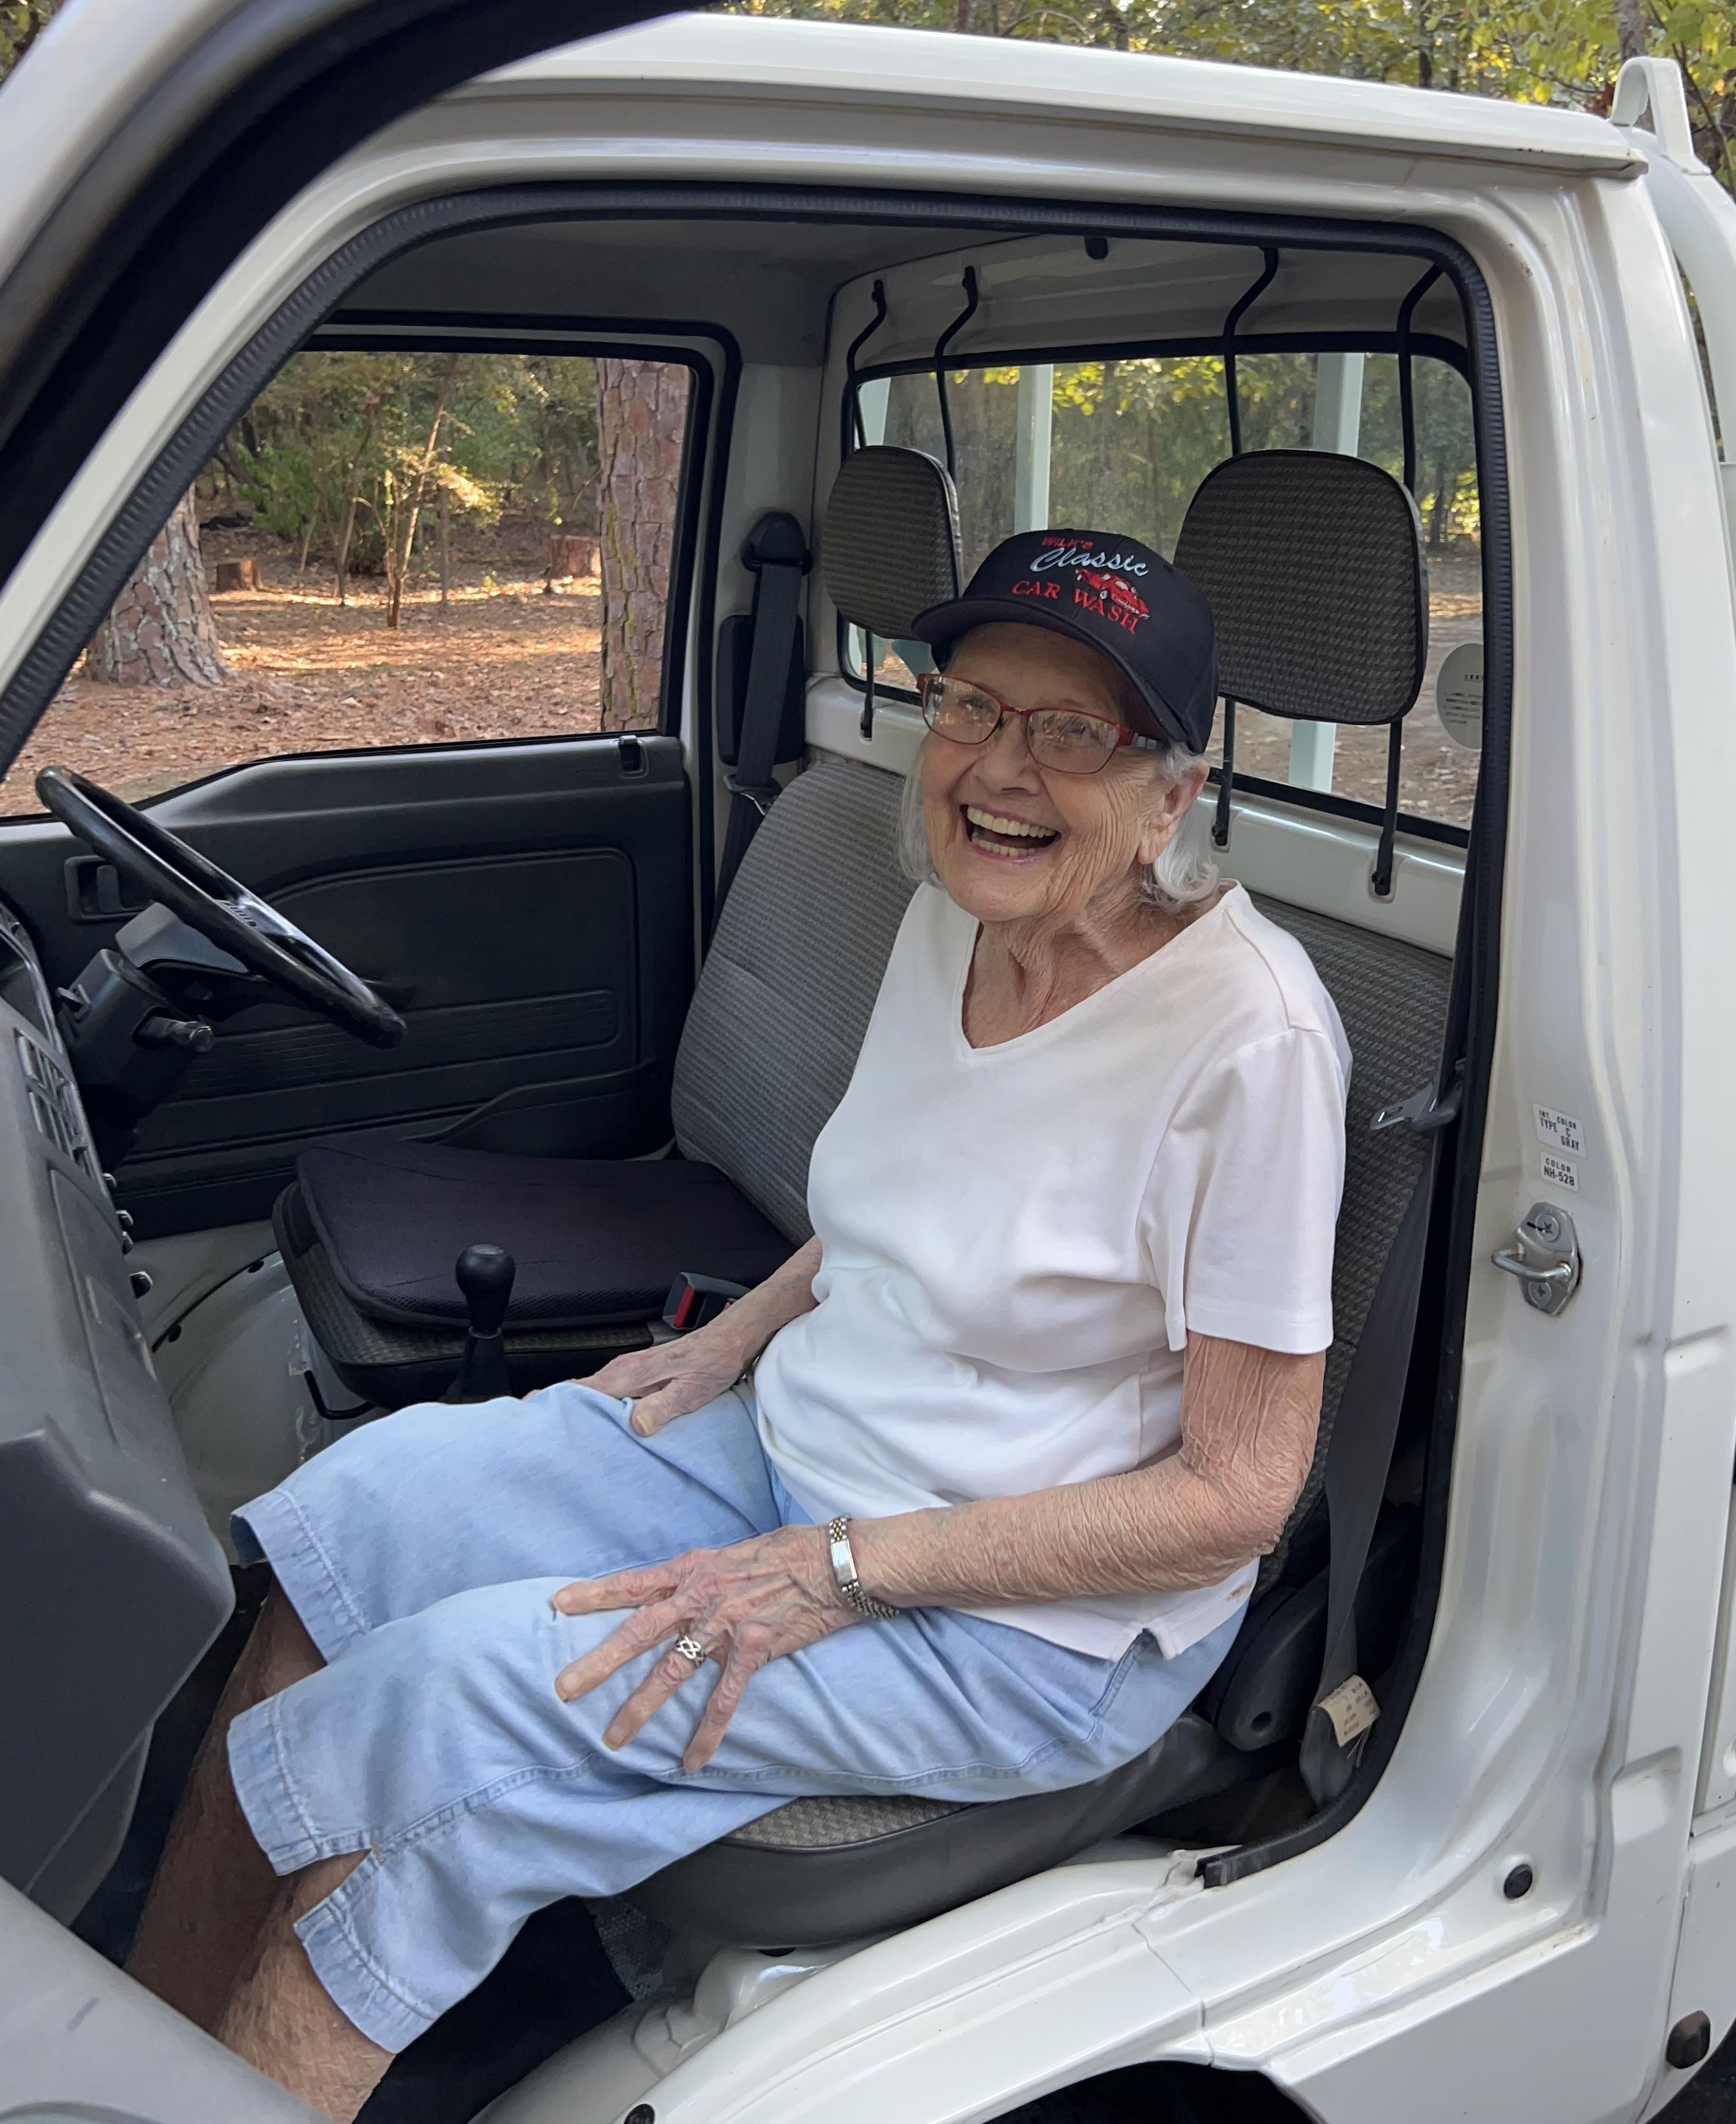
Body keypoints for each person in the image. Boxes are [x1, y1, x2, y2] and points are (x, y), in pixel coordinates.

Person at [125, 527, 1350, 2120]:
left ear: (1171, 794)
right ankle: (134, 2058)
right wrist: (731, 1340)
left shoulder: (1248, 1045)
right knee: (349, 1523)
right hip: (791, 1454)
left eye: (1074, 731)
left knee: (444, 1716)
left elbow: (1234, 1496)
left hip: (1013, 1626)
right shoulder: (957, 910)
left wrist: (835, 1570)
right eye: (975, 705)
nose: (1000, 765)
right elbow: (881, 1205)